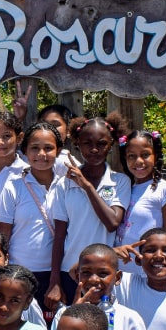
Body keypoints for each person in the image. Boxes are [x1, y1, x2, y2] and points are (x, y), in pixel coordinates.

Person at [47, 113, 131, 309]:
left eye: (101, 143)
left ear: (111, 145)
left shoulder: (120, 182)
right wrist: (55, 281)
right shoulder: (64, 184)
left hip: (104, 275)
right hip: (71, 272)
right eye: (87, 143)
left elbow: (112, 223)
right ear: (77, 144)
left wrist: (87, 186)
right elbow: (59, 236)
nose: (94, 149)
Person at [0, 122, 62, 305]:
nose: (41, 154)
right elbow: (2, 236)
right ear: (24, 150)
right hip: (20, 275)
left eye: (48, 148)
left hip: (58, 276)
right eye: (34, 148)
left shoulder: (66, 187)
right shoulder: (13, 187)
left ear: (58, 150)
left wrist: (57, 279)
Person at [116, 130, 166, 275]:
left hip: (148, 276)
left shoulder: (165, 191)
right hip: (119, 274)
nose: (138, 161)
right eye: (132, 156)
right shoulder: (123, 188)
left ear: (155, 156)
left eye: (145, 155)